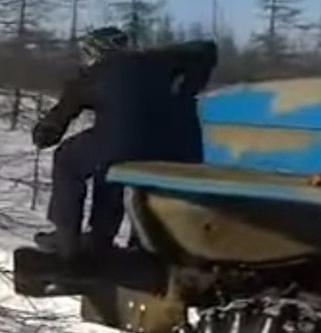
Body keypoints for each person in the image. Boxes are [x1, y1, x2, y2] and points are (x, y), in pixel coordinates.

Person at [30, 27, 218, 262]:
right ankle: (119, 240)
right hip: (174, 148)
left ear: (94, 52)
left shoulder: (90, 77)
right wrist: (188, 88)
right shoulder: (158, 61)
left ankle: (69, 240)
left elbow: (58, 120)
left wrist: (44, 133)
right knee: (109, 165)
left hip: (124, 144)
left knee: (68, 159)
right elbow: (207, 49)